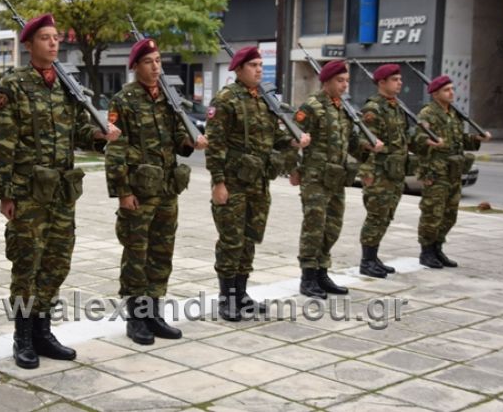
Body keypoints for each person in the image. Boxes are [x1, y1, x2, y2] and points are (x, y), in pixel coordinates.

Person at [0, 13, 120, 369]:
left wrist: (98, 134)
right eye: (45, 38)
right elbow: (4, 144)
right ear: (29, 44)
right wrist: (7, 192)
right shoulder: (13, 86)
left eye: (56, 37)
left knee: (56, 263)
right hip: (29, 192)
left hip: (62, 192)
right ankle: (23, 336)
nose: (53, 43)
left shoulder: (66, 85)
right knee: (26, 265)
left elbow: (78, 131)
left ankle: (43, 331)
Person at [105, 38, 207, 345]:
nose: (155, 67)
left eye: (159, 61)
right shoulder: (124, 100)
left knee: (162, 252)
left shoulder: (168, 100)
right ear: (135, 66)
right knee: (137, 253)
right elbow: (115, 150)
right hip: (138, 190)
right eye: (149, 61)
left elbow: (178, 140)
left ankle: (154, 313)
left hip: (166, 189)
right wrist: (123, 192)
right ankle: (136, 318)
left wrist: (192, 141)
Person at [205, 46, 310, 321]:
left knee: (249, 238)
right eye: (253, 65)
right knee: (231, 240)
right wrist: (218, 183)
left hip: (258, 183)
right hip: (234, 183)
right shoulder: (226, 100)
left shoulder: (264, 100)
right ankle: (226, 298)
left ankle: (241, 294)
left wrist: (292, 140)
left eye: (261, 64)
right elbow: (215, 146)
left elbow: (271, 139)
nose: (259, 69)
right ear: (239, 70)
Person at [290, 60, 383, 299]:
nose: (344, 86)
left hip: (336, 177)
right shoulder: (312, 106)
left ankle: (322, 272)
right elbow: (291, 136)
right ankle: (308, 277)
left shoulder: (343, 109)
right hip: (315, 178)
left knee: (332, 227)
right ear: (327, 81)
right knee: (314, 227)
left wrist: (368, 148)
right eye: (340, 81)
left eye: (346, 81)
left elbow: (351, 143)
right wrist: (292, 168)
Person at [414, 75, 490, 268]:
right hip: (435, 172)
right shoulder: (428, 113)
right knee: (433, 213)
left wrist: (477, 138)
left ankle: (438, 248)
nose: (452, 92)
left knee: (450, 214)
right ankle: (427, 252)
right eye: (447, 90)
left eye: (452, 89)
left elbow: (460, 139)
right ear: (436, 93)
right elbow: (418, 140)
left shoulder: (453, 113)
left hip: (453, 172)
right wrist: (428, 142)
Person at [358, 64, 414, 278]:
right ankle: (366, 260)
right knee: (376, 216)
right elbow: (368, 143)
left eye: (400, 79)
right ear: (382, 83)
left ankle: (374, 257)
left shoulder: (396, 107)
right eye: (395, 79)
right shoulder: (374, 109)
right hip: (380, 173)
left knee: (386, 216)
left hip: (395, 173)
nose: (400, 83)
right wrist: (367, 172)